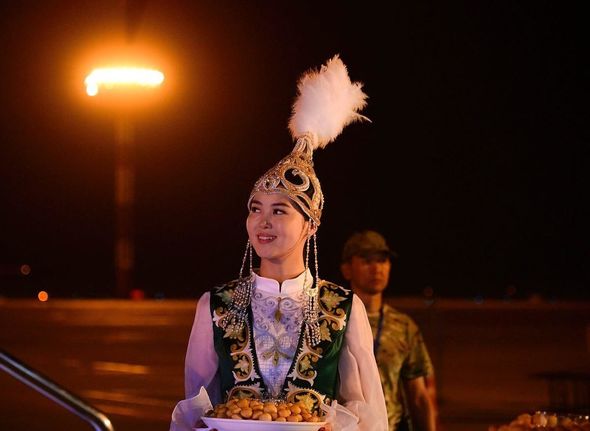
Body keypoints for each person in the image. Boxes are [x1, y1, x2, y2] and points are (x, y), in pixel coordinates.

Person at [169, 55, 388, 431]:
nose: (263, 222)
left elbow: (365, 409)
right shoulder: (216, 305)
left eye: (280, 211)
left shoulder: (343, 308)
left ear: (311, 226)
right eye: (256, 209)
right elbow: (198, 401)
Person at [340, 230, 438, 431]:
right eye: (367, 260)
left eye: (382, 260)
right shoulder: (333, 320)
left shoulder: (403, 327)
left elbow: (419, 396)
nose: (377, 268)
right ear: (347, 269)